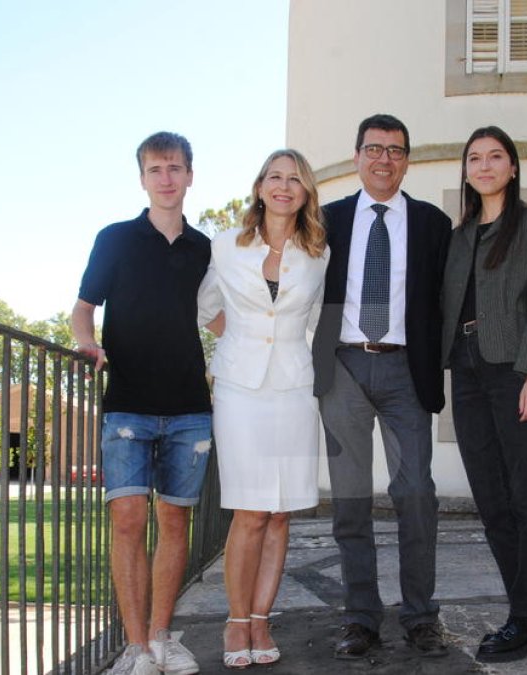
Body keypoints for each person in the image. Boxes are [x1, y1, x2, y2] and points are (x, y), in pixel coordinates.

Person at [311, 114, 453, 659]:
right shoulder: (325, 221)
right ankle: (361, 619)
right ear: (357, 157)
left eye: (395, 151)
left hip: (405, 372)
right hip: (343, 368)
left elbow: (447, 298)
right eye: (374, 149)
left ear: (407, 160)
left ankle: (420, 616)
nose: (384, 160)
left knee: (415, 494)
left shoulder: (432, 224)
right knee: (350, 502)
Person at [71, 131, 210, 675]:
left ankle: (162, 639)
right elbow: (83, 308)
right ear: (143, 178)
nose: (167, 178)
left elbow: (221, 314)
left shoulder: (206, 249)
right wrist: (87, 342)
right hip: (126, 402)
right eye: (156, 170)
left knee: (174, 523)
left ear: (190, 175)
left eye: (175, 168)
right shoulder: (115, 239)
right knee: (128, 519)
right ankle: (135, 649)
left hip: (189, 407)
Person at [197, 149, 329, 669]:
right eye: (275, 177)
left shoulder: (318, 253)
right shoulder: (226, 247)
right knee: (249, 510)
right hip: (240, 390)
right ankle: (235, 620)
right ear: (259, 187)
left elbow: (316, 321)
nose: (283, 186)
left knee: (279, 513)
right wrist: (247, 346)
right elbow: (207, 309)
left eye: (294, 179)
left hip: (295, 390)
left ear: (305, 193)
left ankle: (261, 619)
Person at [439, 125, 527, 663]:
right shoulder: (459, 235)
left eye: (495, 157)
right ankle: (526, 613)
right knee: (491, 500)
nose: (484, 166)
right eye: (474, 158)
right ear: (466, 170)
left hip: (513, 373)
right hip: (465, 375)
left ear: (512, 166)